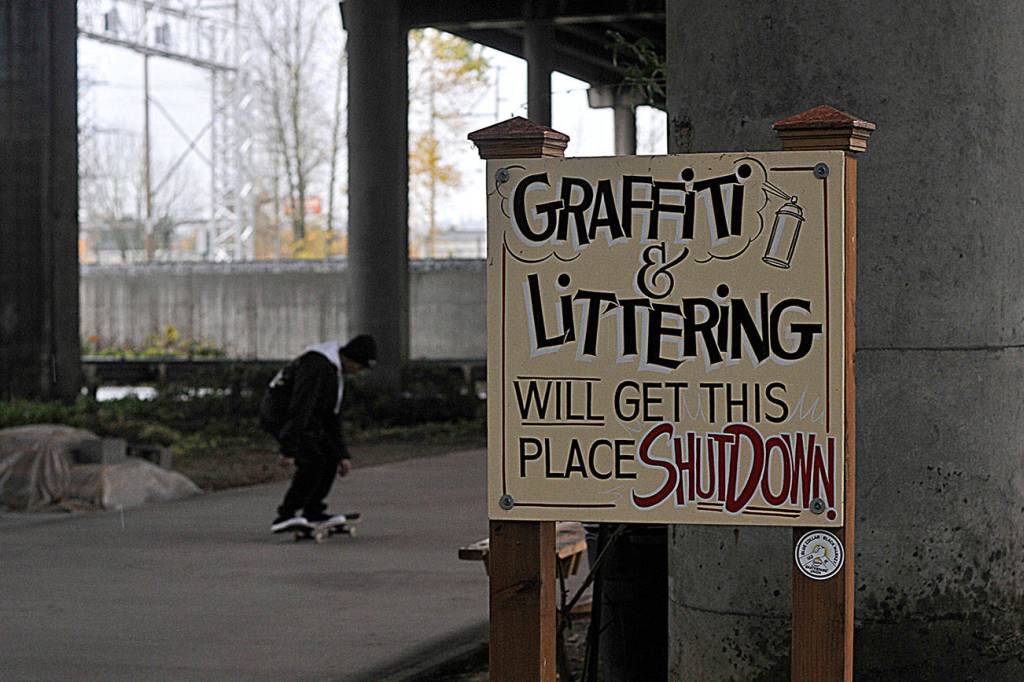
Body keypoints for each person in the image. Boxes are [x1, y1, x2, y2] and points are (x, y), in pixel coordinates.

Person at [259, 334, 377, 532]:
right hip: (282, 416)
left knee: (330, 457)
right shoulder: (316, 365)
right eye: (360, 366)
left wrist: (341, 454)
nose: (359, 372)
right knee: (313, 461)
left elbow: (331, 417)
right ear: (350, 358)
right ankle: (285, 515)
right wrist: (288, 448)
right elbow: (301, 405)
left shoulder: (334, 371)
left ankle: (313, 511)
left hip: (306, 419)